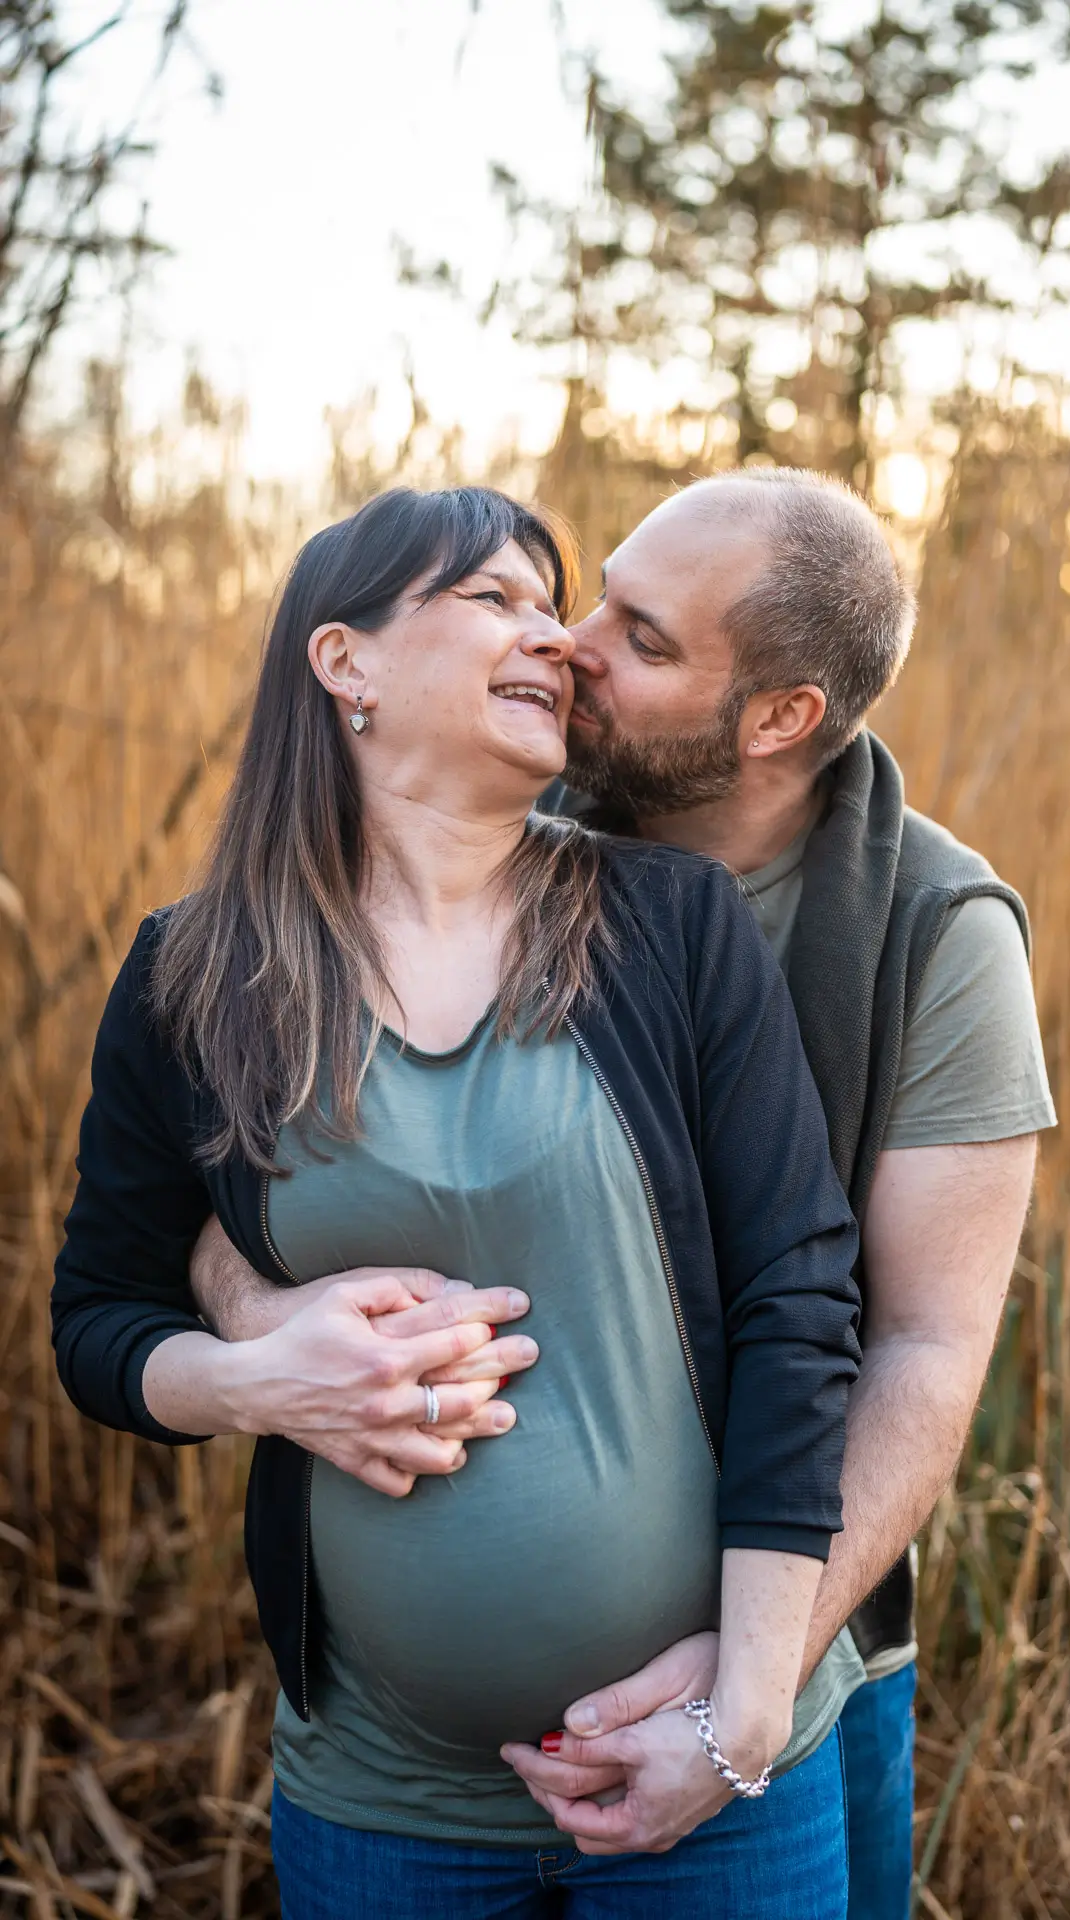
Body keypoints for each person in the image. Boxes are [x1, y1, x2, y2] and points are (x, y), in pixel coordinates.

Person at [185, 467, 1057, 1913]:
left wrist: (745, 1688)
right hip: (400, 1757)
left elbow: (920, 1349)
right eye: (594, 594)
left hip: (798, 1657)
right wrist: (269, 1317)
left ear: (778, 719)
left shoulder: (935, 936)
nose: (575, 643)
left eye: (644, 640)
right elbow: (231, 1173)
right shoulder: (488, 812)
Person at [51, 485, 870, 1919]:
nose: (551, 635)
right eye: (494, 596)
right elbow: (99, 1321)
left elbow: (797, 1305)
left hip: (713, 1785)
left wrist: (739, 1708)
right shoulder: (194, 979)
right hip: (385, 1807)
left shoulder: (673, 925)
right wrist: (258, 1380)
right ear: (344, 662)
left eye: (551, 605)